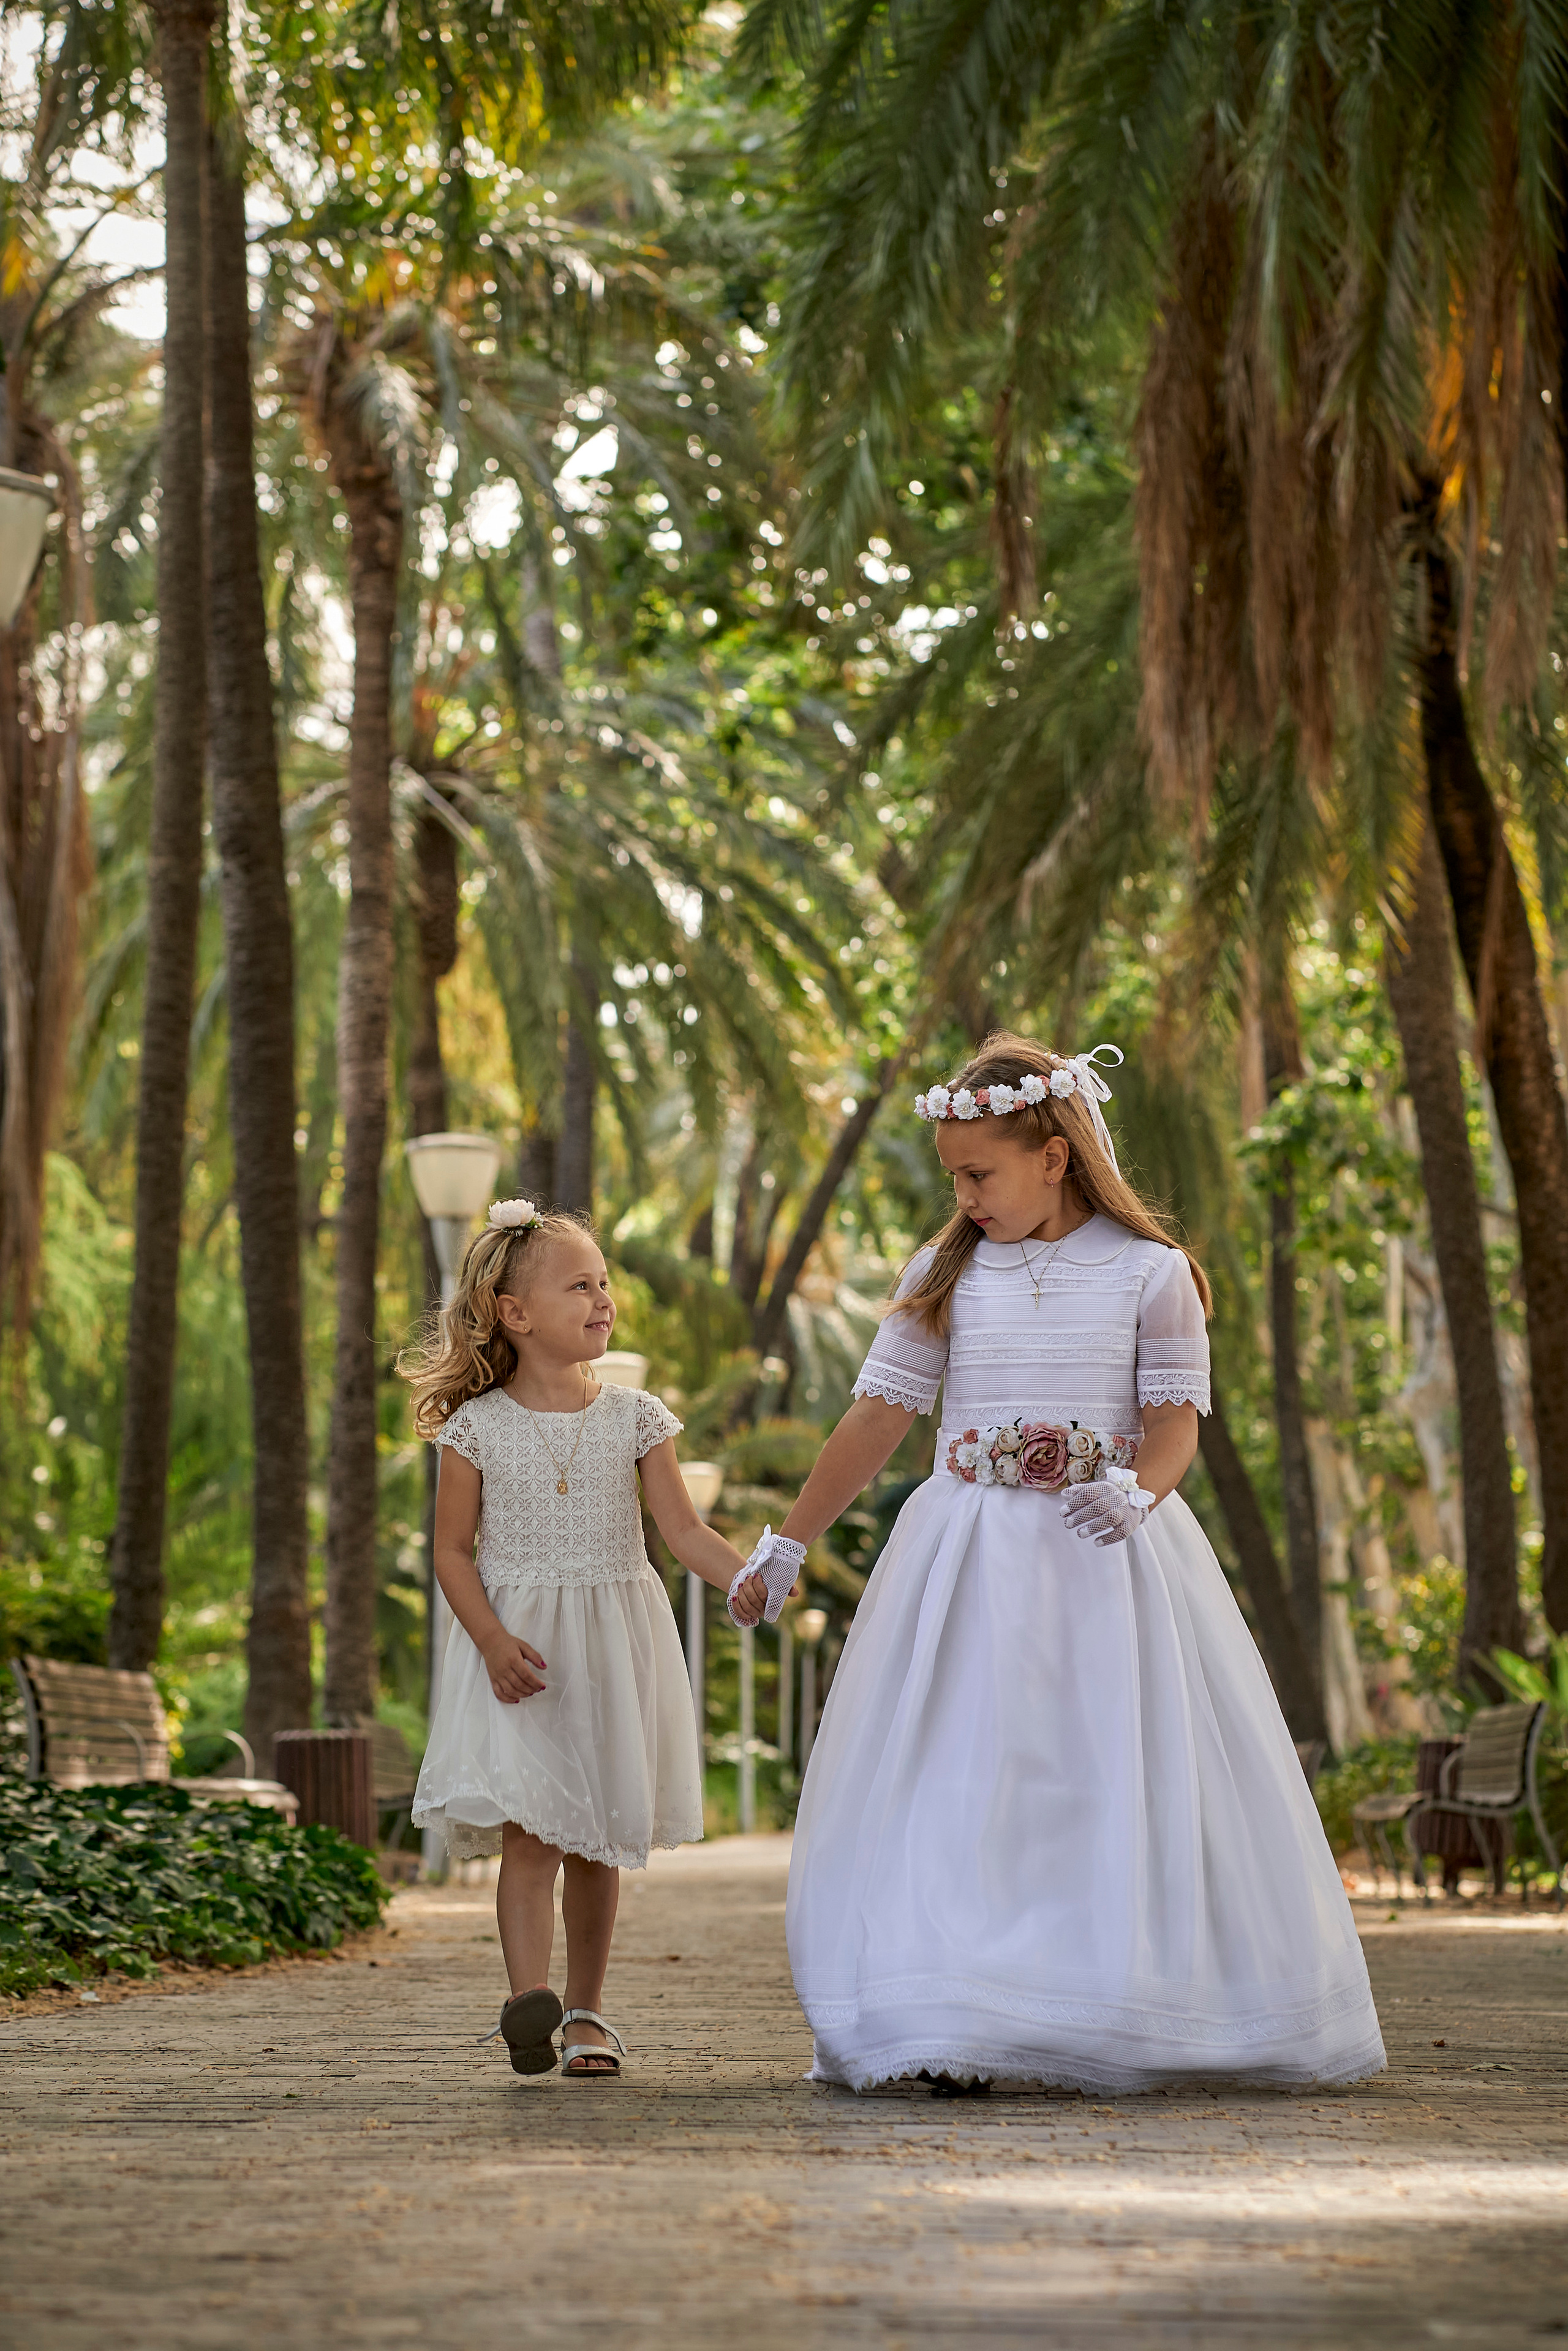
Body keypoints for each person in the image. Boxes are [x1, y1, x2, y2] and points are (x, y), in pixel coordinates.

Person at [731, 1034, 1385, 2097]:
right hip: (968, 1564)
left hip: (1105, 1563)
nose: (965, 1194)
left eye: (979, 1172)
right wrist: (790, 1537)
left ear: (1055, 1154)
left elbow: (1175, 1424)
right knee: (962, 1771)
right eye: (953, 1175)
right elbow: (878, 1418)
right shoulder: (944, 1275)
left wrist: (1139, 1487)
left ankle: (1100, 1989)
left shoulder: (1151, 1274)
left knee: (1092, 1775)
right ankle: (953, 2007)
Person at [404, 1199, 763, 2081]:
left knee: (598, 1837)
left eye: (605, 1282)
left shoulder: (637, 1415)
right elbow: (449, 1551)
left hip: (609, 1650)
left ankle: (589, 2008)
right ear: (515, 1313)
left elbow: (683, 1530)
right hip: (521, 1655)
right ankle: (533, 2002)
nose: (603, 1299)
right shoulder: (476, 1426)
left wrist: (744, 1576)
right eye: (580, 1285)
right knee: (533, 1834)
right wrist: (488, 1639)